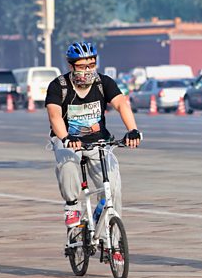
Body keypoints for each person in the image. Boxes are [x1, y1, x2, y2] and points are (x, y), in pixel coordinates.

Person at [45, 41, 142, 228]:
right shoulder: (59, 86)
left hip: (99, 143)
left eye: (91, 65)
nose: (87, 71)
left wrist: (132, 130)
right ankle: (72, 205)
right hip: (68, 141)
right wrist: (66, 137)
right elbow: (54, 115)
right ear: (71, 66)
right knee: (68, 164)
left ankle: (113, 240)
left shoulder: (103, 83)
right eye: (82, 67)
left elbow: (121, 104)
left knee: (113, 189)